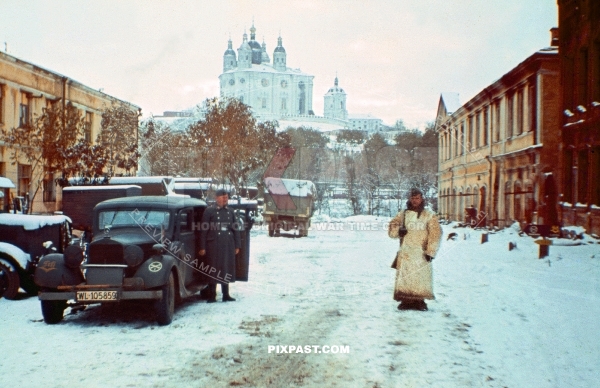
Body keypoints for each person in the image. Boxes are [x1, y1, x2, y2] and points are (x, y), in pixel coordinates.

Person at [388, 188, 442, 311]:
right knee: (406, 278)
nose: (414, 201)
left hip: (421, 253)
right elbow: (392, 226)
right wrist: (398, 231)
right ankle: (406, 301)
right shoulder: (403, 214)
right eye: (412, 198)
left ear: (422, 199)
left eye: (417, 198)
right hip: (406, 252)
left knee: (420, 278)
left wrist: (431, 251)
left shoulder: (429, 215)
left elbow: (435, 234)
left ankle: (419, 301)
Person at [199, 189, 241, 302]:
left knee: (226, 268)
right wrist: (202, 247)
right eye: (223, 197)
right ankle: (212, 295)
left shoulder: (230, 211)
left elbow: (235, 229)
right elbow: (203, 230)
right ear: (217, 198)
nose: (225, 199)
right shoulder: (209, 211)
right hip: (213, 244)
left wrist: (237, 245)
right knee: (213, 268)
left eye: (226, 197)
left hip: (227, 244)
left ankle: (226, 294)